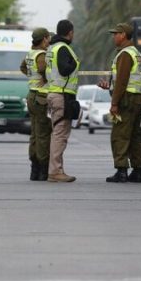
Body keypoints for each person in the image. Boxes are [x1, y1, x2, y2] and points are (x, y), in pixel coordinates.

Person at [98, 23, 141, 183]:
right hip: (137, 98)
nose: (114, 37)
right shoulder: (135, 53)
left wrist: (114, 103)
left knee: (119, 135)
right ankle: (137, 171)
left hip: (127, 99)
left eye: (116, 34)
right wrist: (109, 86)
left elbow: (122, 81)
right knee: (134, 135)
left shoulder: (125, 54)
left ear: (123, 35)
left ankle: (121, 170)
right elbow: (124, 79)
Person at [45, 19, 81, 183]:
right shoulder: (63, 48)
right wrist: (74, 62)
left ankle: (56, 169)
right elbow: (64, 69)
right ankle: (55, 171)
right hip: (62, 95)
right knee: (60, 135)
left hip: (55, 92)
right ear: (70, 32)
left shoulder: (52, 48)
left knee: (57, 134)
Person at [20, 27, 51, 181]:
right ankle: (43, 169)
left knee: (34, 134)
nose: (49, 40)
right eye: (48, 38)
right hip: (41, 97)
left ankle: (34, 169)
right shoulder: (41, 55)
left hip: (32, 95)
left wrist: (33, 76)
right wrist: (44, 78)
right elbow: (43, 69)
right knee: (43, 134)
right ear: (44, 39)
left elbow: (23, 67)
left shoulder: (30, 54)